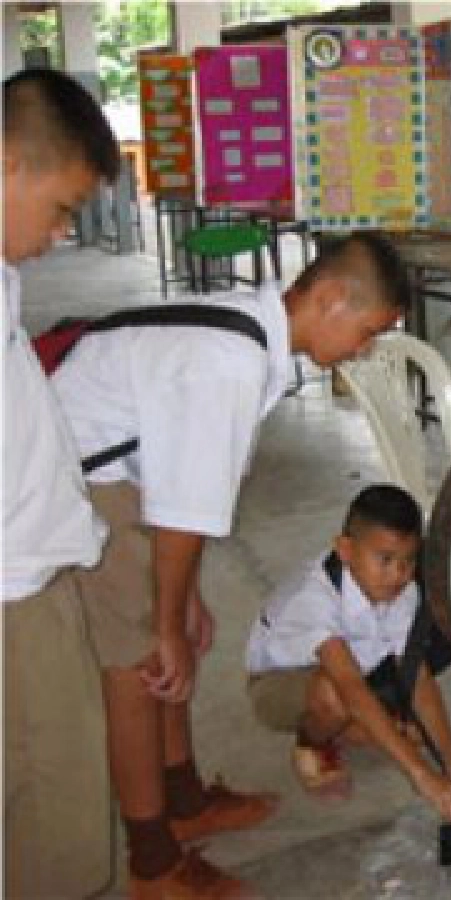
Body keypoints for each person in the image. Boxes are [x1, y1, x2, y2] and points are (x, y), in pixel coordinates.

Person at [50, 231, 408, 898]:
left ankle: (183, 803)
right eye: (368, 331)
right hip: (82, 484)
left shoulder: (252, 334)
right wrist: (166, 621)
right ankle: (153, 863)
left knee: (170, 643)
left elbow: (178, 484)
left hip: (124, 479)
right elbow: (181, 510)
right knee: (140, 668)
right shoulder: (231, 361)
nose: (365, 351)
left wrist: (181, 605)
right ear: (330, 299)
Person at [2, 68, 121, 900]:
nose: (58, 235)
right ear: (9, 163)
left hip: (34, 581)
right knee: (58, 837)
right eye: (62, 209)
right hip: (13, 601)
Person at [245, 484, 451, 823]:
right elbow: (350, 686)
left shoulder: (401, 588)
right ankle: (312, 742)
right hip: (277, 683)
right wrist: (422, 777)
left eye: (408, 560)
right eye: (385, 559)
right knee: (336, 698)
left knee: (405, 725)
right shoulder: (315, 598)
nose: (398, 574)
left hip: (357, 669)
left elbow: (417, 676)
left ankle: (356, 728)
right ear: (345, 549)